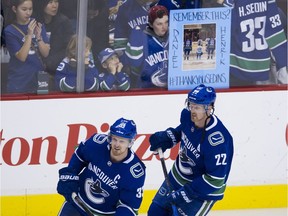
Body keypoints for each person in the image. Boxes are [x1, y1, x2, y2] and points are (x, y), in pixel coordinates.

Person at [147, 84, 234, 216]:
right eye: (191, 105)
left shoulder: (217, 142)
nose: (192, 110)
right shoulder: (188, 115)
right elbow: (182, 130)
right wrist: (167, 138)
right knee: (155, 212)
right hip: (178, 177)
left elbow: (215, 180)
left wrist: (186, 193)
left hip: (202, 191)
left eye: (197, 107)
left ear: (209, 108)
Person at [57, 117, 146, 216]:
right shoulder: (96, 144)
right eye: (114, 139)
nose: (116, 144)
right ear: (110, 137)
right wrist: (70, 176)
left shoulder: (134, 172)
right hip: (77, 204)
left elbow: (128, 206)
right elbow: (79, 156)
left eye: (122, 141)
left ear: (130, 143)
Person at [3, 0, 50, 93]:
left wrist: (39, 37)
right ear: (14, 9)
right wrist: (29, 35)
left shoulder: (37, 24)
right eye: (24, 9)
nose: (28, 13)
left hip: (38, 79)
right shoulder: (10, 31)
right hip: (19, 81)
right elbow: (21, 57)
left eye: (30, 9)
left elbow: (45, 53)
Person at [125, 5, 169, 88]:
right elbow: (135, 64)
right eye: (159, 24)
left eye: (166, 22)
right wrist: (136, 36)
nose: (164, 27)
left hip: (171, 89)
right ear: (151, 25)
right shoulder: (141, 38)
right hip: (146, 90)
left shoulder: (174, 36)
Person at [33, 0, 74, 90]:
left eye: (56, 2)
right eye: (50, 2)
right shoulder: (34, 22)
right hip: (35, 70)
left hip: (58, 71)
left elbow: (69, 48)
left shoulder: (64, 22)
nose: (54, 5)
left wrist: (49, 63)